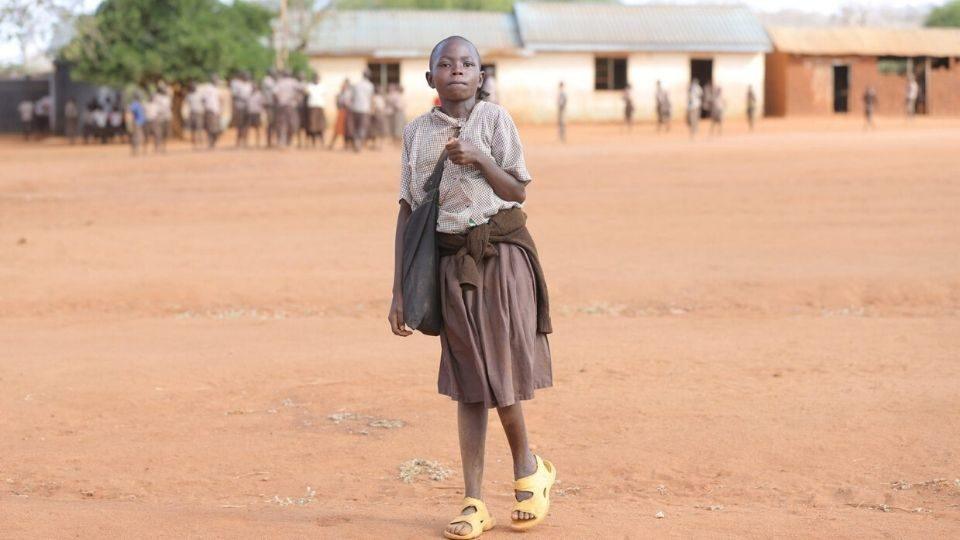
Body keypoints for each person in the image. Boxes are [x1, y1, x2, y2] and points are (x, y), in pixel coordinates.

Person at [389, 35, 556, 540]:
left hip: (500, 257)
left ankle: (528, 469)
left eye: (467, 64)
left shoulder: (495, 121)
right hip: (448, 263)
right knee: (468, 382)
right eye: (445, 63)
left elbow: (518, 189)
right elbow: (408, 209)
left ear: (481, 77)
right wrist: (399, 289)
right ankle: (474, 501)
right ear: (430, 78)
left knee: (499, 369)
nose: (456, 70)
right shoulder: (417, 134)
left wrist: (481, 158)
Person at [273, 70, 301, 148]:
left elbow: (274, 93)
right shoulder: (294, 82)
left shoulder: (280, 82)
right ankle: (288, 141)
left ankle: (282, 141)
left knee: (281, 124)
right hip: (291, 106)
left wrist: (278, 101)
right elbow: (302, 90)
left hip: (281, 106)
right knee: (292, 123)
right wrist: (296, 98)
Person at [348, 70, 374, 151]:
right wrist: (372, 108)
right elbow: (371, 98)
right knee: (362, 127)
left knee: (355, 127)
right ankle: (359, 143)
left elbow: (351, 97)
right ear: (369, 76)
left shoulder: (356, 85)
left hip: (355, 108)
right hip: (365, 109)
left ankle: (356, 141)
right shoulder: (370, 86)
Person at [199, 74, 224, 149]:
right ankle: (210, 142)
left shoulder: (217, 89)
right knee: (210, 128)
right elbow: (203, 99)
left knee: (218, 129)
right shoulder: (208, 88)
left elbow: (219, 100)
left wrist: (220, 109)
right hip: (210, 110)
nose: (217, 81)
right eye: (216, 80)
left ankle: (213, 141)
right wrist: (206, 107)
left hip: (217, 111)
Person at [231, 71, 254, 147]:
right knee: (240, 125)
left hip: (248, 107)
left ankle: (245, 141)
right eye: (246, 76)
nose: (247, 78)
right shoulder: (238, 85)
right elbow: (234, 96)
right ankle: (238, 141)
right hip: (240, 106)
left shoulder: (249, 85)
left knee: (246, 125)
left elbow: (251, 95)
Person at [328, 79, 351, 150]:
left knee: (347, 129)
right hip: (341, 111)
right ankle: (331, 144)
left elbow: (349, 103)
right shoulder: (340, 94)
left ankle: (346, 145)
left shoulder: (349, 93)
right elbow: (338, 104)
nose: (343, 86)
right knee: (338, 129)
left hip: (348, 112)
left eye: (345, 85)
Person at [304, 73, 326, 148]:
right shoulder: (309, 86)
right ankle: (312, 142)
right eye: (315, 78)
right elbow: (306, 92)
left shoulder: (322, 86)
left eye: (317, 78)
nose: (316, 80)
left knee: (320, 125)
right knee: (312, 125)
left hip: (319, 107)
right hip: (312, 107)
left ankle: (322, 142)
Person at [152, 84, 172, 153]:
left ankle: (164, 147)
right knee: (157, 133)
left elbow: (168, 107)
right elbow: (154, 107)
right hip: (158, 117)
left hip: (166, 117)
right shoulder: (156, 97)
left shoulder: (167, 98)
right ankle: (157, 147)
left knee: (165, 133)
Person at [185, 82, 205, 148]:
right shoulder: (189, 96)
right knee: (193, 128)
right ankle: (194, 142)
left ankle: (201, 141)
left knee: (199, 127)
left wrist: (203, 110)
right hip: (192, 113)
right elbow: (187, 104)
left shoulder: (199, 94)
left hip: (199, 112)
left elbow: (203, 101)